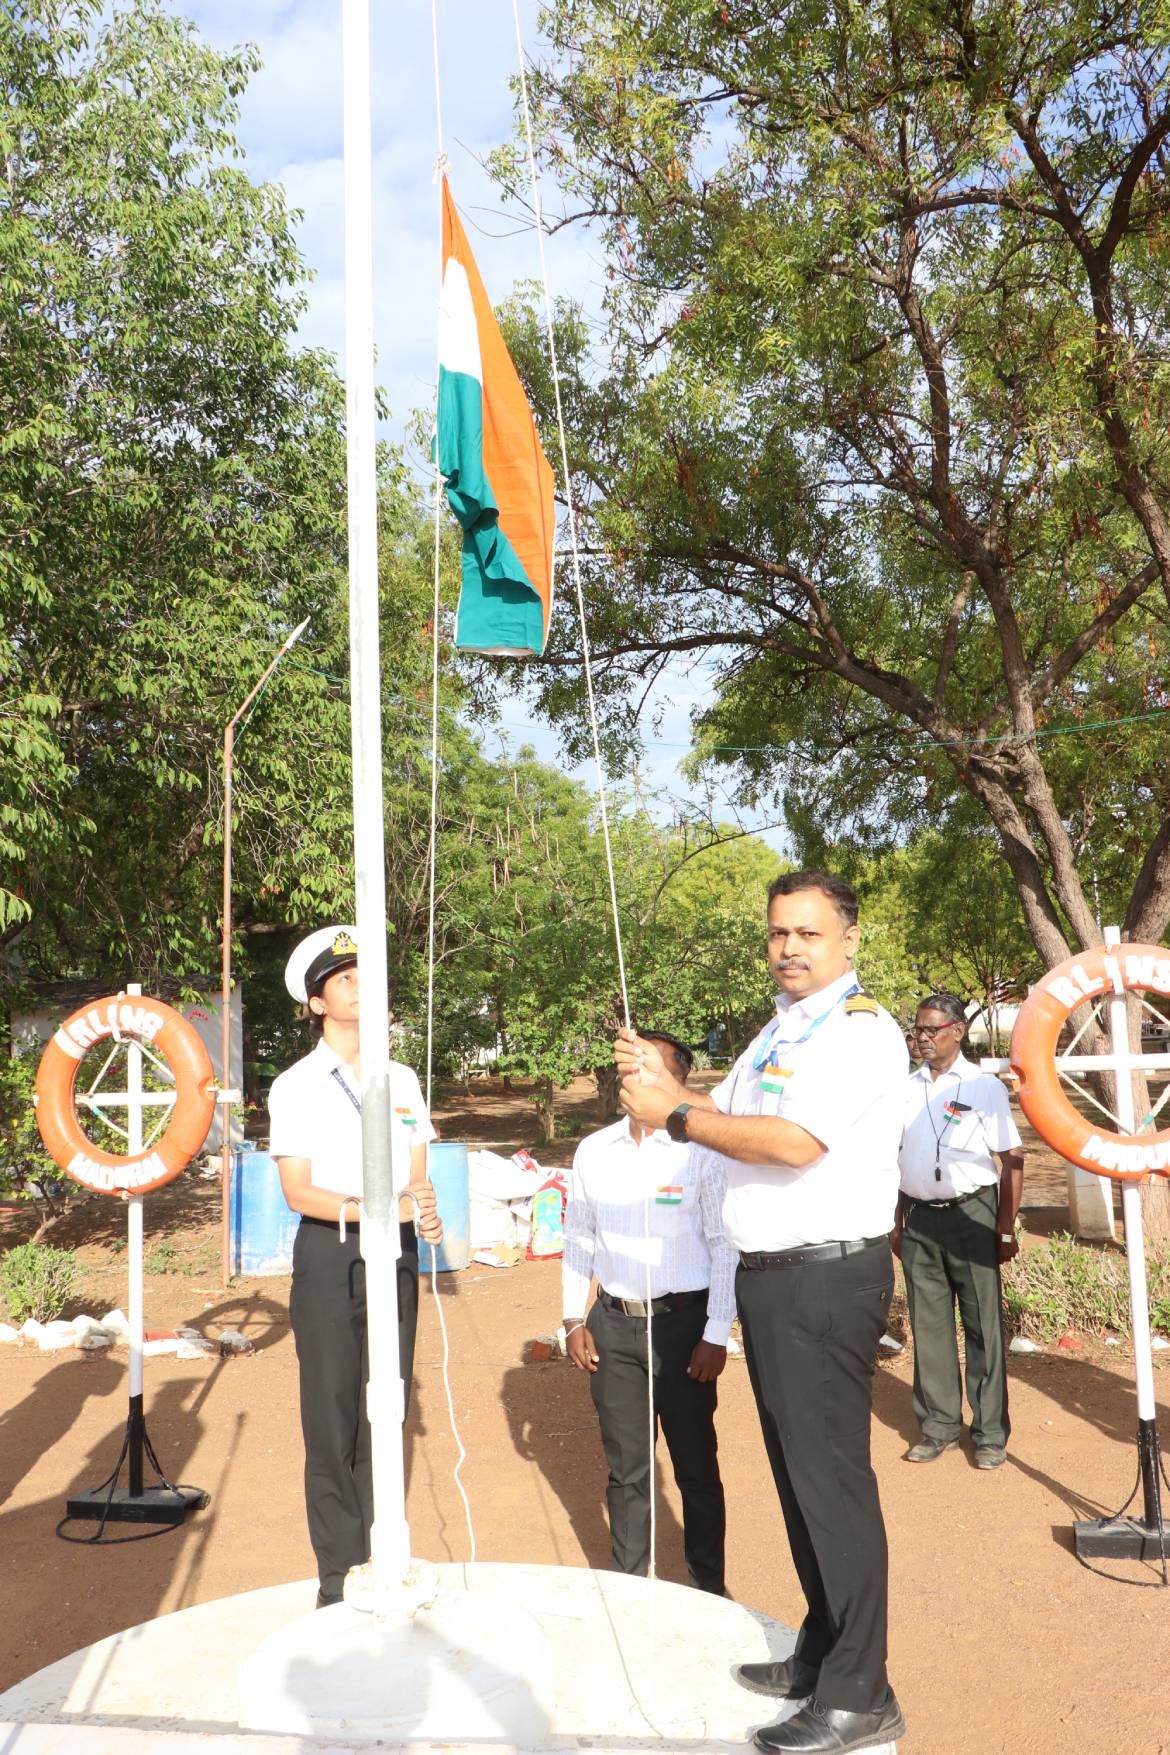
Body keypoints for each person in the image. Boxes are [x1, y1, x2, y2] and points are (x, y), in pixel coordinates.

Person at [615, 872, 907, 1755]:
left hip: (825, 1278)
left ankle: (861, 1693)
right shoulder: (781, 1031)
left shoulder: (861, 1032)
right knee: (797, 1479)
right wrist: (670, 1092)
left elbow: (790, 1143)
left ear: (849, 939)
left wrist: (676, 1115)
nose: (789, 947)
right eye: (779, 932)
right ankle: (823, 1647)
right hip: (774, 1280)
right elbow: (730, 1118)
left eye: (809, 933)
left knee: (833, 1486)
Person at [267, 925, 442, 1608]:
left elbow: (418, 1166)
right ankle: (337, 1578)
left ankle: (381, 1555)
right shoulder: (297, 1085)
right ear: (316, 1002)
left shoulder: (399, 1077)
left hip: (395, 1251)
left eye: (368, 975)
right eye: (346, 978)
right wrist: (382, 1209)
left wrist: (421, 1210)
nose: (362, 987)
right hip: (331, 1251)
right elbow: (297, 1189)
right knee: (333, 1413)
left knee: (386, 1407)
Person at [562, 1028, 735, 1596]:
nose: (631, 1080)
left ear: (677, 1084)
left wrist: (716, 1332)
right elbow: (579, 1239)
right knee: (627, 1470)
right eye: (627, 1069)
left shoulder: (701, 1152)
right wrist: (573, 1318)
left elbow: (723, 1244)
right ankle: (631, 1587)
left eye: (648, 1071)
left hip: (685, 1329)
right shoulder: (594, 1151)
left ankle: (708, 1590)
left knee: (694, 1469)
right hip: (613, 1325)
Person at [892, 993, 1024, 1470]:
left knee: (981, 1325)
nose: (922, 1039)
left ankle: (989, 1433)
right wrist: (896, 1221)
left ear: (957, 1032)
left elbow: (1011, 1159)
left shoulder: (983, 1086)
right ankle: (939, 1426)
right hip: (920, 1218)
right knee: (928, 1327)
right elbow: (894, 1159)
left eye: (932, 1030)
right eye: (918, 1031)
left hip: (973, 1215)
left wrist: (1005, 1226)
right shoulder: (904, 1088)